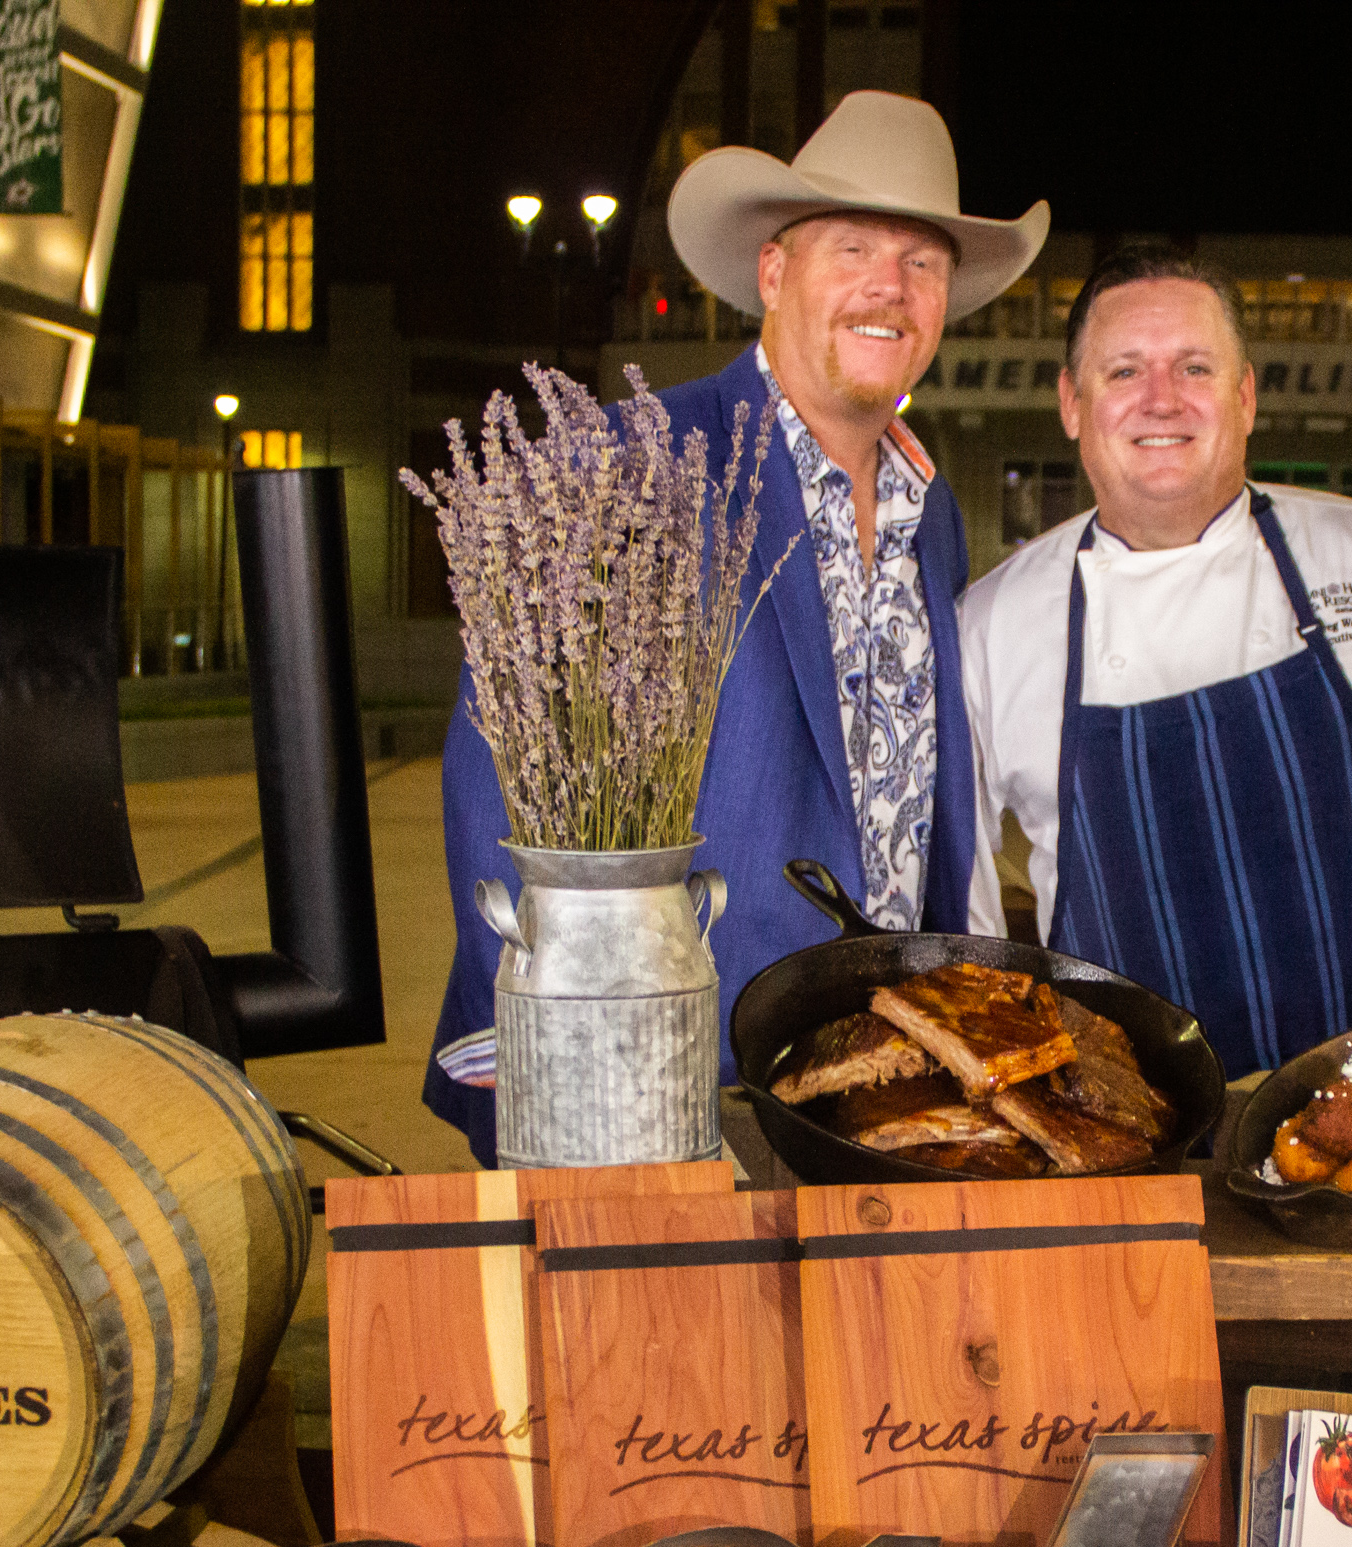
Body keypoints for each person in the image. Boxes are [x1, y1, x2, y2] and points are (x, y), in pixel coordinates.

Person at [424, 92, 1047, 1161]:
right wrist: (554, 1074)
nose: (888, 288)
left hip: (871, 1089)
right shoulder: (635, 466)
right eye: (852, 247)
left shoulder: (930, 507)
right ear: (773, 273)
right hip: (666, 1092)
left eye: (922, 263)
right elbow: (501, 773)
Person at [957, 251, 1352, 1075]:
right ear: (1072, 404)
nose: (1162, 400)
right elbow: (968, 925)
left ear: (1245, 396)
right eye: (1124, 372)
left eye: (1194, 367)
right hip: (1132, 1149)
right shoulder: (994, 624)